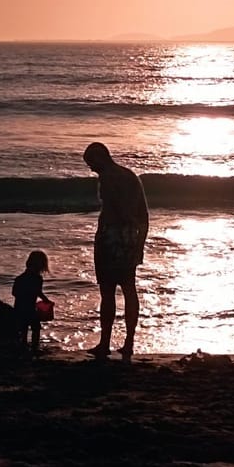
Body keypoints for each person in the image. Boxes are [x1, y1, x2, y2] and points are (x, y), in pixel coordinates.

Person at [83, 142, 149, 360]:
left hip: (111, 238)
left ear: (100, 158)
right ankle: (129, 342)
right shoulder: (131, 176)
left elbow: (117, 210)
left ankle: (105, 342)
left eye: (91, 163)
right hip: (130, 238)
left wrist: (112, 228)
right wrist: (140, 242)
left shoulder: (108, 178)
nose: (91, 169)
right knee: (129, 288)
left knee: (108, 291)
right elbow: (143, 214)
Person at [12, 250, 51, 352]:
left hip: (19, 308)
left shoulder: (19, 278)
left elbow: (14, 293)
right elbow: (38, 292)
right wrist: (46, 300)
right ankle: (34, 347)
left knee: (23, 329)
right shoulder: (37, 278)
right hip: (30, 308)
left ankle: (23, 347)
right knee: (36, 328)